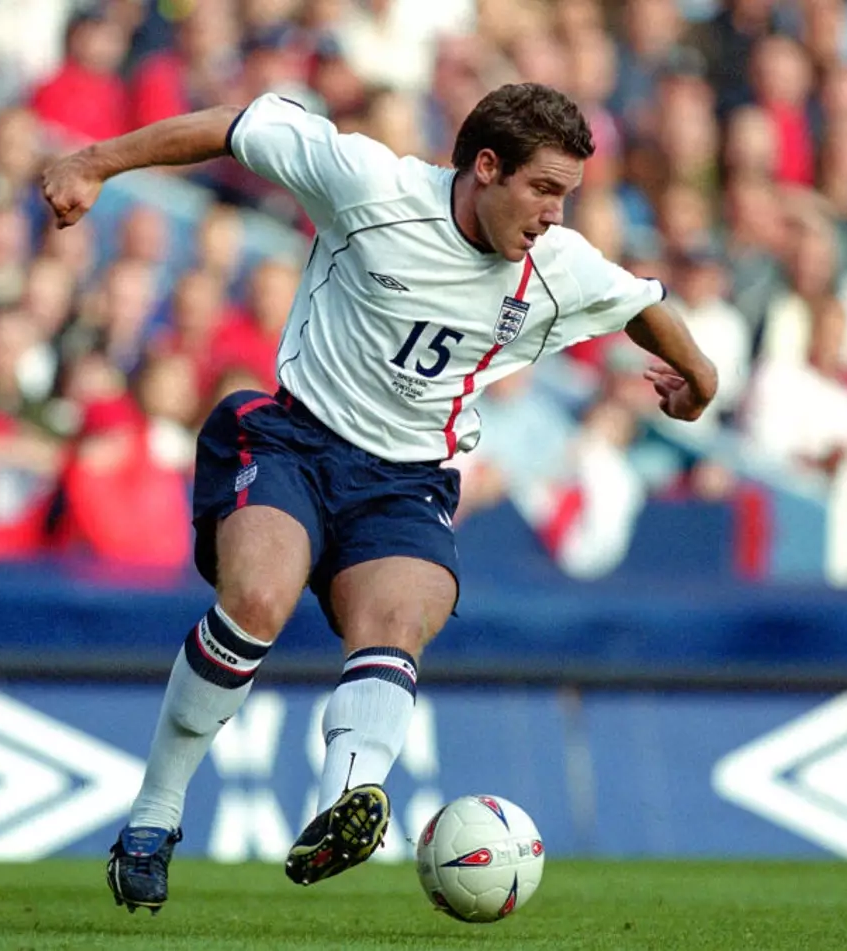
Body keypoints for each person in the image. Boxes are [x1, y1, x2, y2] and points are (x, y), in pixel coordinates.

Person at [40, 82, 719, 913]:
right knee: (256, 597)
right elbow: (237, 125)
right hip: (294, 436)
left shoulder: (557, 266)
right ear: (486, 166)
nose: (552, 214)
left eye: (566, 196)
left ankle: (341, 806)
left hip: (405, 482)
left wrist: (702, 376)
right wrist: (93, 162)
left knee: (401, 619)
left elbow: (644, 305)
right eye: (543, 190)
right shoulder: (373, 186)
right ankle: (154, 816)